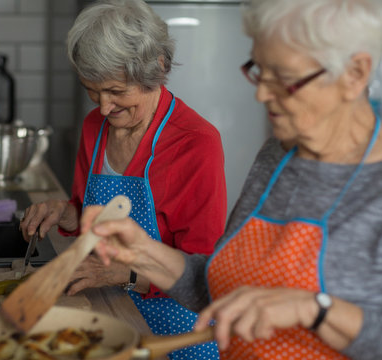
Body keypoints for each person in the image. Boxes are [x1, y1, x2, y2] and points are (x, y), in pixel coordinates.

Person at [80, 0, 382, 359]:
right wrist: (144, 254)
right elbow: (221, 289)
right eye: (259, 71)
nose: (261, 93)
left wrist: (317, 310)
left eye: (283, 78)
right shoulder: (276, 157)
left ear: (355, 74)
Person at [19, 0, 227, 358]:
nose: (103, 107)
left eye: (116, 92)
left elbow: (204, 274)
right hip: (110, 319)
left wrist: (126, 274)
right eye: (92, 90)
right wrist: (65, 213)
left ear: (156, 68)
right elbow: (92, 214)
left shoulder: (195, 144)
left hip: (175, 338)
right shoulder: (94, 128)